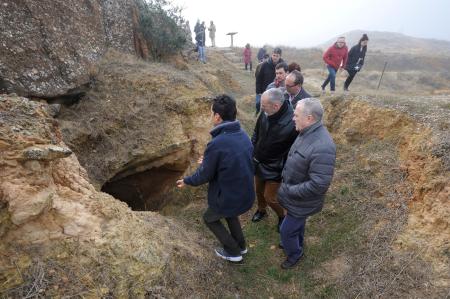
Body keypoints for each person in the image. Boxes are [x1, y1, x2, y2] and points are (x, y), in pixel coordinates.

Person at [176, 94, 255, 263]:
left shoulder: (217, 143)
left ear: (218, 117)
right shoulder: (242, 134)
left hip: (229, 194)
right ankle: (241, 245)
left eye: (211, 113)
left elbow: (205, 174)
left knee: (209, 218)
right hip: (244, 191)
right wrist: (210, 160)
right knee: (230, 214)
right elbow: (232, 158)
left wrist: (187, 180)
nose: (211, 116)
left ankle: (233, 252)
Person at [277, 98, 336, 269]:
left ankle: (295, 254)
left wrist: (290, 190)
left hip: (302, 199)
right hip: (295, 196)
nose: (292, 118)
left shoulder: (323, 146)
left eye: (296, 115)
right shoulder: (305, 132)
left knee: (286, 230)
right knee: (296, 225)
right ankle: (297, 243)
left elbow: (319, 184)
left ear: (309, 118)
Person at [251, 88, 297, 230]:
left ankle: (282, 216)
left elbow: (293, 151)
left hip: (276, 167)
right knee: (258, 190)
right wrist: (252, 151)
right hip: (259, 161)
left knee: (270, 197)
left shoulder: (293, 122)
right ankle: (261, 210)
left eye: (264, 106)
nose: (261, 108)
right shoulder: (265, 113)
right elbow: (256, 132)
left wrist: (284, 168)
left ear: (276, 106)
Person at [255, 47, 284, 113]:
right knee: (260, 106)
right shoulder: (265, 64)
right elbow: (259, 78)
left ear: (280, 56)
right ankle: (258, 115)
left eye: (277, 56)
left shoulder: (283, 65)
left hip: (277, 92)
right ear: (271, 55)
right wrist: (258, 91)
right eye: (274, 55)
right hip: (263, 91)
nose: (275, 57)